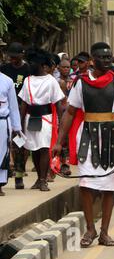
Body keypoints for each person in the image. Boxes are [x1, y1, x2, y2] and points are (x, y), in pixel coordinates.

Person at [52, 42, 114, 247]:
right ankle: (90, 229)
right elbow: (70, 112)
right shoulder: (80, 83)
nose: (107, 60)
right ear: (92, 60)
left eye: (109, 57)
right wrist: (58, 141)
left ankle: (104, 233)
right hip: (88, 136)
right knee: (86, 183)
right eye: (102, 57)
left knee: (110, 186)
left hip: (113, 136)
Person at [19, 48, 65, 191]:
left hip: (46, 118)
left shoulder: (51, 80)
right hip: (30, 118)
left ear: (40, 64)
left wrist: (60, 124)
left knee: (44, 148)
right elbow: (24, 104)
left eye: (32, 62)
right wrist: (20, 123)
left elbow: (58, 103)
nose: (29, 65)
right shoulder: (27, 80)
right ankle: (39, 178)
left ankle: (44, 180)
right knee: (34, 150)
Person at [0, 42, 31, 189]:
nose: (12, 60)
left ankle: (19, 175)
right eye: (11, 57)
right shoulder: (4, 69)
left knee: (20, 144)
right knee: (6, 145)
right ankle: (7, 172)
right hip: (7, 111)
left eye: (15, 57)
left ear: (22, 55)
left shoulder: (28, 69)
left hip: (23, 109)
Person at [0, 71, 21, 196]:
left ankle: (0, 184)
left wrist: (16, 127)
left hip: (2, 121)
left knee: (2, 152)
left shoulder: (7, 81)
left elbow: (13, 106)